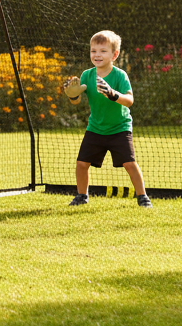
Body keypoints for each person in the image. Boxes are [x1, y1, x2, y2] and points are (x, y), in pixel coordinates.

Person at [64, 30, 153, 208]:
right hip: (95, 128)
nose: (97, 55)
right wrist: (72, 95)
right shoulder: (87, 75)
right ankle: (82, 196)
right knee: (81, 163)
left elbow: (129, 100)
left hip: (120, 128)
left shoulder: (120, 76)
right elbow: (77, 101)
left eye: (103, 51)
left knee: (129, 163)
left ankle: (143, 197)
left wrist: (112, 94)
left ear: (115, 54)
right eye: (93, 51)